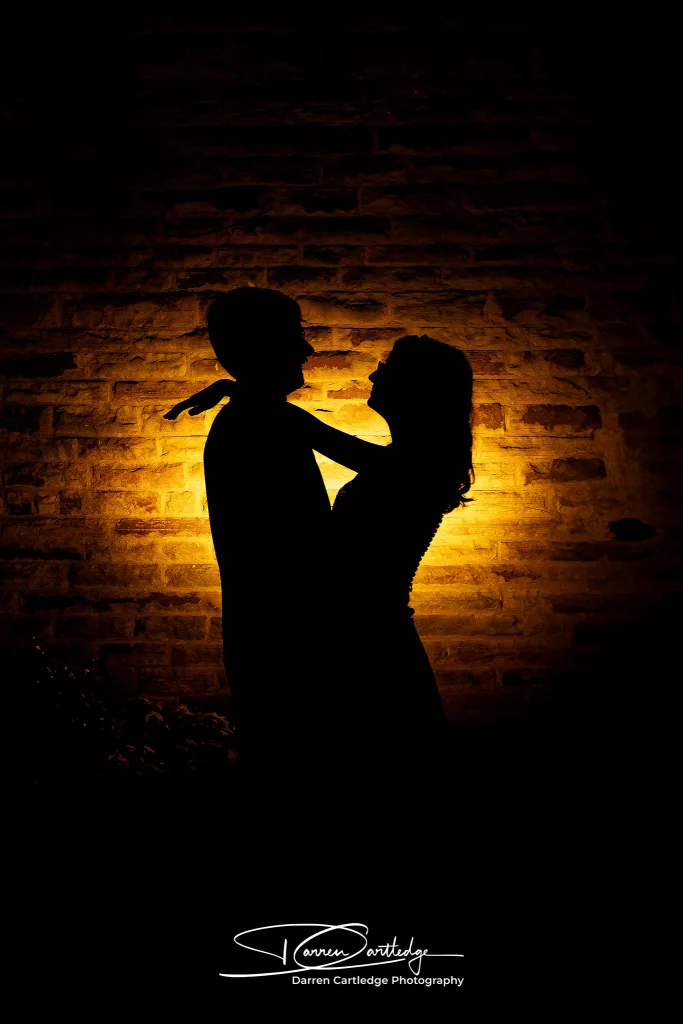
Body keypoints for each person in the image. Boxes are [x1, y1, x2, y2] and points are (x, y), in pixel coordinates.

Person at [168, 330, 474, 791]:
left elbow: (317, 436)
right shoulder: (412, 460)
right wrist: (247, 393)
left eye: (387, 369)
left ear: (418, 388)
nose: (374, 373)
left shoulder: (422, 465)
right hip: (366, 638)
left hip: (373, 644)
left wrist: (250, 394)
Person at [165, 288, 332, 791]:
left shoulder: (252, 416)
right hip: (288, 644)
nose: (306, 351)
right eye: (294, 337)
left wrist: (236, 387)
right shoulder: (265, 420)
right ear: (263, 347)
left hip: (269, 639)